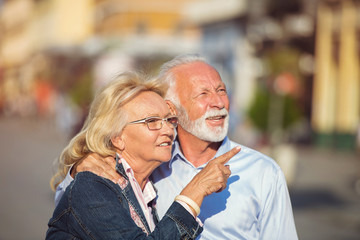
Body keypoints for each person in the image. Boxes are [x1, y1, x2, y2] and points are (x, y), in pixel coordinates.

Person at [56, 54, 298, 239]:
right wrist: (81, 168)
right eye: (203, 94)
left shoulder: (263, 172)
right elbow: (73, 202)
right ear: (173, 108)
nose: (218, 102)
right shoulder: (151, 166)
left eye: (221, 90)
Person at [46, 72, 240, 239]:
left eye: (168, 119)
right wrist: (195, 191)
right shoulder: (93, 184)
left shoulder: (145, 188)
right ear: (117, 137)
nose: (168, 130)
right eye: (152, 121)